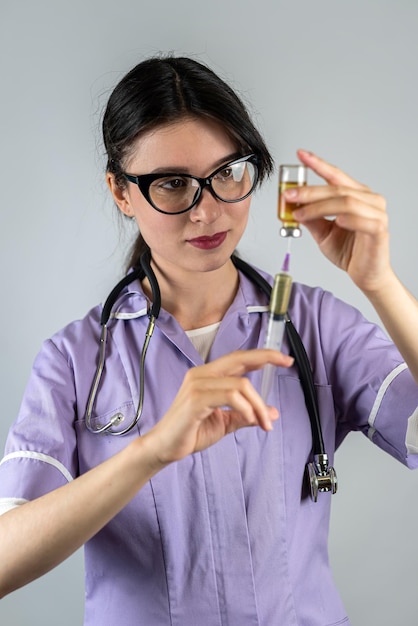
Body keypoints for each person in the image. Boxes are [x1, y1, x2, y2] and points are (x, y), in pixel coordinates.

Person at [0, 55, 417, 626]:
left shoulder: (314, 328)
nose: (209, 209)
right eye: (173, 184)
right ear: (121, 193)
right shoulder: (76, 360)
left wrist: (381, 283)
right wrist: (148, 453)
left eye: (228, 172)